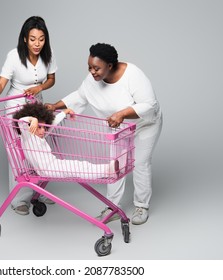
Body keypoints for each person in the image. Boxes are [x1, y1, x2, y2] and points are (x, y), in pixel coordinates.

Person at [45, 43, 162, 225]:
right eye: (89, 67)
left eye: (96, 68)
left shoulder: (133, 75)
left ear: (110, 65)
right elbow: (79, 96)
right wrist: (54, 106)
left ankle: (141, 205)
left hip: (144, 125)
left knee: (139, 163)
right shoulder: (94, 79)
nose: (92, 72)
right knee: (115, 165)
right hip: (120, 129)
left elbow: (150, 105)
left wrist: (122, 113)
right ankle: (112, 207)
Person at [0, 16, 57, 215]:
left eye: (41, 39)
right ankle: (19, 200)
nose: (37, 44)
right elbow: (1, 82)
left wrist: (39, 87)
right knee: (20, 153)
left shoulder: (47, 55)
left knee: (40, 149)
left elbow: (51, 79)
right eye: (32, 39)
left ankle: (39, 192)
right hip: (16, 109)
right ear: (25, 38)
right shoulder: (14, 56)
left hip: (37, 109)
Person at [12, 102, 119, 179]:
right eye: (39, 127)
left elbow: (53, 123)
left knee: (79, 164)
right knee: (77, 169)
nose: (43, 131)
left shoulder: (40, 135)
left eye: (44, 127)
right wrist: (32, 119)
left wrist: (65, 112)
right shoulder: (28, 136)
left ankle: (108, 168)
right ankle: (107, 171)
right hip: (47, 170)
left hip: (54, 165)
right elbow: (21, 121)